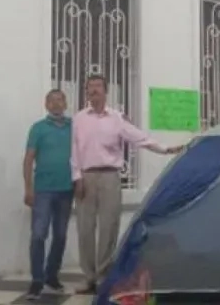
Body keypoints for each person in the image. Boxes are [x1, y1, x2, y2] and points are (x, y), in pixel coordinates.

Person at [71, 74, 184, 294]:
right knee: (85, 229)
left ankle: (103, 276)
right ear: (86, 92)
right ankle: (88, 278)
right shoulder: (79, 118)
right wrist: (76, 177)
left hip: (110, 177)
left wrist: (165, 149)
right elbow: (73, 150)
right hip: (85, 176)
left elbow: (139, 137)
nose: (93, 90)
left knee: (109, 228)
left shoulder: (116, 118)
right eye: (90, 87)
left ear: (105, 91)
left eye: (97, 87)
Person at [23, 89, 74, 300]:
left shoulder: (74, 127)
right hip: (43, 190)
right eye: (52, 100)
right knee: (38, 234)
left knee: (60, 235)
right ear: (46, 104)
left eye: (60, 100)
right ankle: (37, 280)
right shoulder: (38, 128)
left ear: (65, 103)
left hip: (67, 190)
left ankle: (51, 276)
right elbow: (28, 159)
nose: (56, 104)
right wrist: (29, 188)